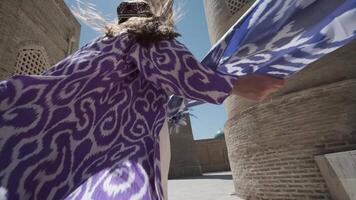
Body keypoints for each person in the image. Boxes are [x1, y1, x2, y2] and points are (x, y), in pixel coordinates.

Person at [0, 0, 284, 199]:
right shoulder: (147, 36)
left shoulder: (95, 45)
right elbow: (176, 68)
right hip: (116, 148)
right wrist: (235, 84)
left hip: (51, 138)